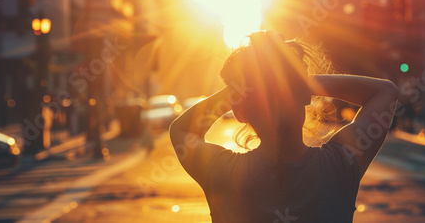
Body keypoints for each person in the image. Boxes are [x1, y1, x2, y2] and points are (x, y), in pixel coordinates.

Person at [169, 31, 399, 223]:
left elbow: (181, 130)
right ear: (304, 96)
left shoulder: (222, 173)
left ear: (240, 111)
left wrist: (241, 88)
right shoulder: (341, 165)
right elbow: (384, 92)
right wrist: (299, 80)